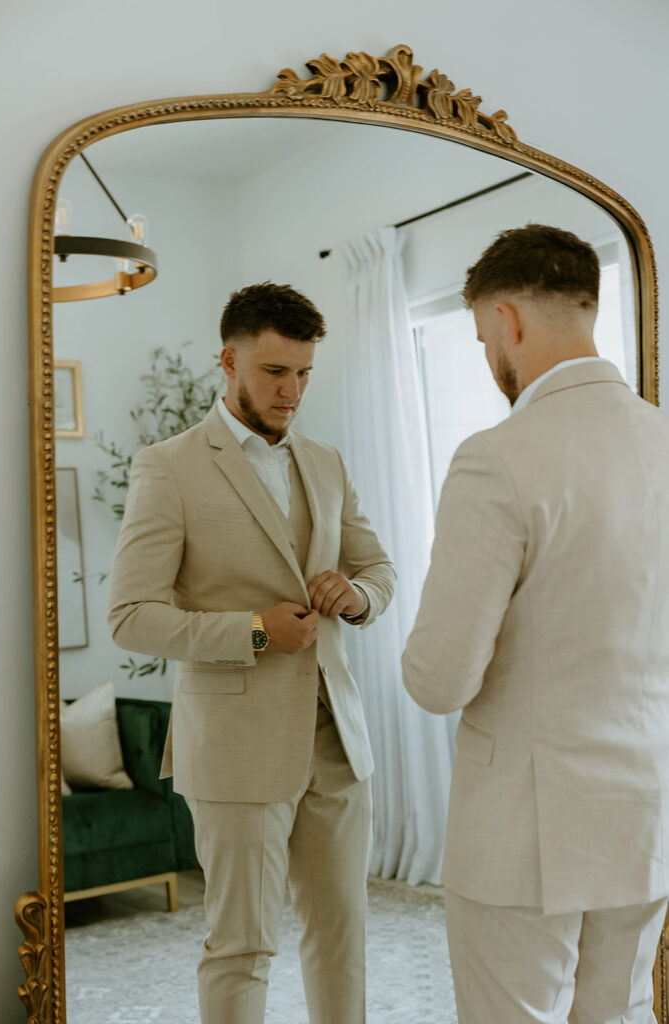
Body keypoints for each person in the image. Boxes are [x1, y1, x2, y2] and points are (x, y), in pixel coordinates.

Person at [107, 282, 395, 1024]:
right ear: (228, 361)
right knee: (240, 946)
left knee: (343, 938)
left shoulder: (325, 461)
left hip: (335, 742)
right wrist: (257, 631)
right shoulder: (167, 466)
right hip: (236, 750)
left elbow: (378, 572)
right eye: (274, 372)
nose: (291, 390)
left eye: (303, 373)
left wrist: (354, 596)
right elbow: (131, 617)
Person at [402, 224, 669, 1024]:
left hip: (524, 833)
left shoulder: (496, 457)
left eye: (484, 337)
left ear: (507, 319)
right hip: (645, 814)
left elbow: (439, 680)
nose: (489, 360)